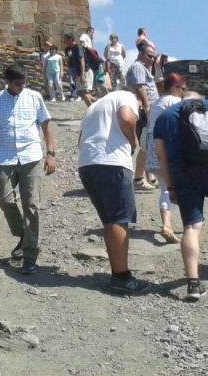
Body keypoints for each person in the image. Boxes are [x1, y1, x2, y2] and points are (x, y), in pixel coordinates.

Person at [153, 91, 208, 301]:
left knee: (192, 226)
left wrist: (170, 187)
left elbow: (160, 155)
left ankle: (193, 284)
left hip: (181, 174)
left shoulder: (164, 117)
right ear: (198, 99)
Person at [77, 88, 150, 295]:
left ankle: (118, 272)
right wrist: (133, 141)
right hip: (112, 162)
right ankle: (121, 277)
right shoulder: (127, 97)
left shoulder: (95, 106)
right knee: (119, 218)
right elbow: (126, 118)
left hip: (87, 163)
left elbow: (80, 138)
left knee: (110, 219)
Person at [0, 64, 55, 274]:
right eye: (17, 83)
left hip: (31, 156)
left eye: (24, 83)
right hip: (5, 157)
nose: (21, 86)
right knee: (5, 199)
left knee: (31, 205)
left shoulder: (34, 97)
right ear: (7, 82)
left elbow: (46, 125)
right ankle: (24, 235)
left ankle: (30, 254)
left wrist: (50, 153)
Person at [147, 73, 185, 243]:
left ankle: (167, 225)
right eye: (182, 88)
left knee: (165, 190)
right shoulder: (174, 102)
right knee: (183, 188)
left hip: (153, 149)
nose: (183, 92)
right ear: (176, 87)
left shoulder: (156, 103)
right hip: (169, 148)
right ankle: (190, 224)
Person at [125, 42, 159, 191]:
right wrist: (147, 105)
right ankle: (139, 178)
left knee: (148, 143)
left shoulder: (143, 67)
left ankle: (149, 176)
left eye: (154, 57)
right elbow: (140, 86)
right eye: (149, 56)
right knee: (146, 143)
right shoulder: (138, 67)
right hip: (145, 110)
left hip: (147, 109)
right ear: (141, 54)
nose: (152, 59)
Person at [64, 34, 84, 101]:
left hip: (77, 67)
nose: (64, 42)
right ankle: (74, 95)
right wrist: (67, 66)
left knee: (77, 81)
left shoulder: (77, 47)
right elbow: (67, 58)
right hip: (71, 67)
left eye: (66, 40)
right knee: (71, 81)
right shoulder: (67, 48)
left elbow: (81, 59)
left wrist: (81, 71)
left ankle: (77, 95)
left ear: (70, 39)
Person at [80, 26, 98, 96]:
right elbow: (82, 42)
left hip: (89, 55)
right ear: (88, 31)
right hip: (86, 53)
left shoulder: (89, 38)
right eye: (92, 32)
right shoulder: (84, 35)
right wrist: (87, 48)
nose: (93, 33)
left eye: (93, 32)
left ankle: (90, 89)